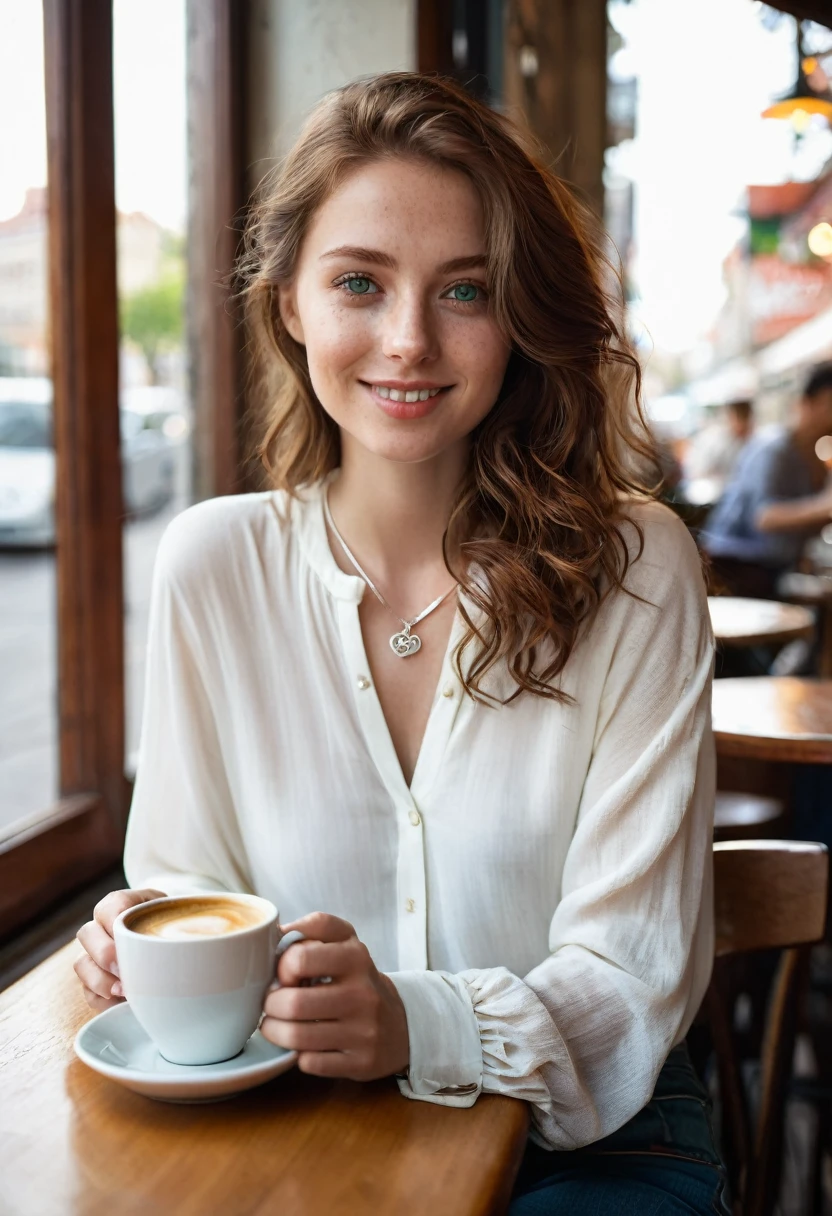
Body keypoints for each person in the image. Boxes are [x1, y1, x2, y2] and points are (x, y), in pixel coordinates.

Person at [73, 74, 722, 1214]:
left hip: (588, 1141)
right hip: (295, 1125)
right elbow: (187, 880)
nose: (409, 341)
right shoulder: (211, 565)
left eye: (464, 290)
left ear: (518, 314)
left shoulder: (639, 566)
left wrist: (413, 1021)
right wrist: (140, 941)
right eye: (359, 283)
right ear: (289, 305)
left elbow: (631, 977)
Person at [702, 364, 832, 598]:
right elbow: (764, 517)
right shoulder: (773, 448)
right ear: (807, 403)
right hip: (736, 568)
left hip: (773, 569)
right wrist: (823, 507)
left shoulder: (813, 456)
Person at [683, 398, 753, 495]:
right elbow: (698, 471)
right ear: (731, 417)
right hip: (709, 492)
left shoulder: (747, 441)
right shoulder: (715, 440)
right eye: (741, 417)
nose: (745, 424)